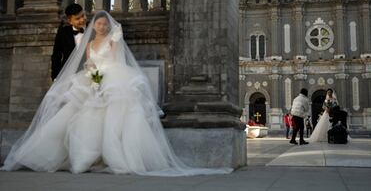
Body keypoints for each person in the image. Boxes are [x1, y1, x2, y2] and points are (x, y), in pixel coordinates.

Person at [1, 11, 231, 176]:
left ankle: (114, 157)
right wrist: (92, 77)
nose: (100, 27)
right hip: (93, 80)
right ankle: (82, 158)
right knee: (80, 118)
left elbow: (115, 59)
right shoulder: (89, 44)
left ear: (107, 26)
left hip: (114, 78)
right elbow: (89, 64)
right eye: (97, 24)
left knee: (114, 119)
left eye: (103, 24)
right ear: (94, 26)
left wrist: (103, 77)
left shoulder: (113, 41)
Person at [51, 3, 87, 80]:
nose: (82, 19)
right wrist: (56, 76)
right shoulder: (63, 32)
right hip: (68, 74)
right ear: (70, 21)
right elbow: (56, 55)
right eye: (77, 18)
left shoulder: (93, 28)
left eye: (83, 16)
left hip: (88, 72)